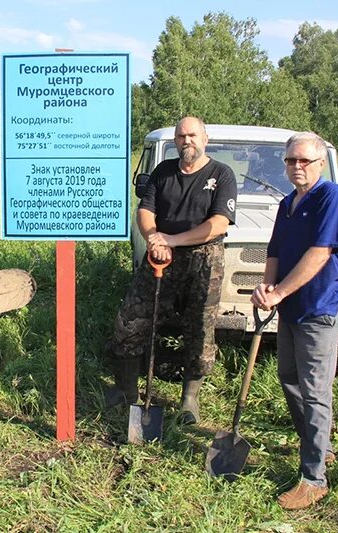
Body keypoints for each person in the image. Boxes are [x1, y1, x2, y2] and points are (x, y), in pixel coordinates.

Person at [105, 116, 237, 425]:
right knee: (129, 321)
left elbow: (218, 224)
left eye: (192, 135)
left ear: (205, 139)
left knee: (200, 330)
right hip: (159, 257)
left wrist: (173, 240)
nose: (186, 141)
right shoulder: (163, 172)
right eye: (181, 136)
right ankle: (128, 393)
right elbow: (145, 211)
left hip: (203, 260)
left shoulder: (221, 174)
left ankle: (189, 400)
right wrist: (154, 238)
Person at [250, 132, 338, 509]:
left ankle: (314, 478)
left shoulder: (332, 198)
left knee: (314, 390)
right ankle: (318, 447)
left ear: (320, 163)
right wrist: (266, 288)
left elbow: (320, 253)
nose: (297, 167)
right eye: (291, 160)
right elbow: (274, 251)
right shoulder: (288, 203)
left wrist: (278, 293)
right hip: (290, 308)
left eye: (304, 161)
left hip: (318, 309)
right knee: (288, 379)